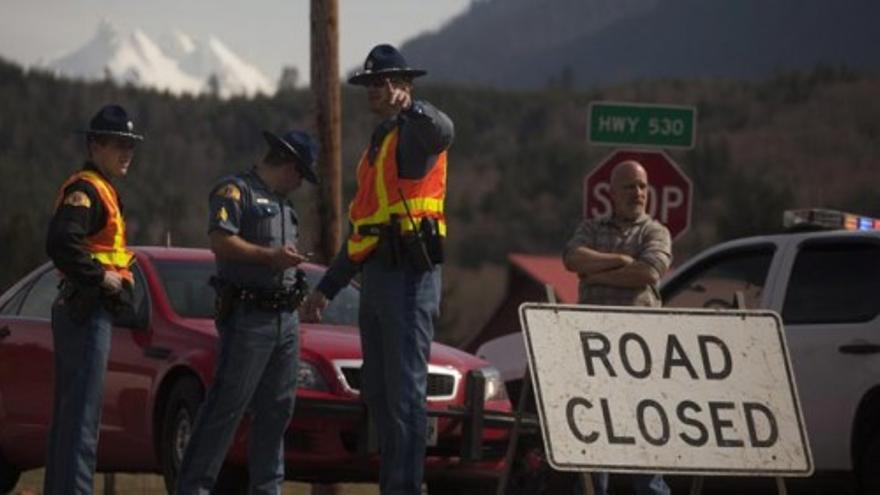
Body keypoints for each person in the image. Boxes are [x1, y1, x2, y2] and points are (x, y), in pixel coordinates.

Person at [301, 44, 453, 495]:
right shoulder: (381, 143)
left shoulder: (414, 134)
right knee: (382, 398)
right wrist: (326, 289)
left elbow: (445, 131)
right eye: (370, 84)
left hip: (410, 278)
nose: (374, 91)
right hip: (378, 281)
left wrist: (415, 106)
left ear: (403, 86)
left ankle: (404, 488)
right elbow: (363, 230)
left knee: (406, 397)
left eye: (383, 83)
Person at [175, 129, 318, 495]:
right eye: (300, 173)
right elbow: (220, 239)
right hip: (248, 316)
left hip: (285, 318)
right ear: (287, 164)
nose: (301, 182)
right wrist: (270, 257)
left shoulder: (286, 206)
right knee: (226, 408)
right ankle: (193, 488)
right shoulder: (236, 191)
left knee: (277, 411)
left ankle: (267, 490)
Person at [44, 103, 143, 494]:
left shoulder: (102, 190)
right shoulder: (87, 190)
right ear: (94, 145)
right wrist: (101, 278)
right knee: (82, 421)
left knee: (73, 419)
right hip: (86, 312)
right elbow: (60, 242)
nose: (127, 153)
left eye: (131, 145)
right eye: (118, 144)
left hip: (85, 311)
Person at [562, 160, 673, 495]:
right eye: (629, 186)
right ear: (612, 192)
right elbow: (572, 257)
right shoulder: (592, 228)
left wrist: (595, 274)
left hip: (640, 353)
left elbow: (649, 273)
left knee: (645, 437)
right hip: (594, 349)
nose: (638, 193)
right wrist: (620, 260)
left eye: (642, 186)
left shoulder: (655, 232)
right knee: (597, 434)